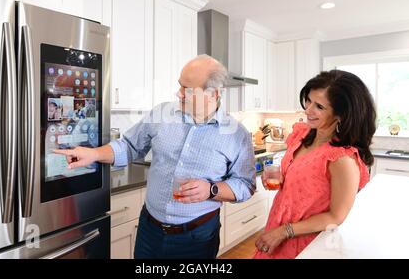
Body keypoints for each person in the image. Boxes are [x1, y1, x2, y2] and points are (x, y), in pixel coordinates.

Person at [55, 55, 256, 259]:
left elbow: (246, 185)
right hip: (149, 230)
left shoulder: (236, 135)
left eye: (187, 89)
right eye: (180, 86)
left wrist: (211, 190)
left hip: (197, 238)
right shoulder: (162, 113)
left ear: (212, 94)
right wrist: (94, 154)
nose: (179, 94)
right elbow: (129, 146)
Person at [254, 70, 376, 259]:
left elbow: (336, 217)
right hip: (277, 227)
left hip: (304, 240)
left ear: (340, 115)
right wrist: (281, 178)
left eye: (319, 106)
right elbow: (304, 183)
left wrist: (283, 232)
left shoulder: (342, 159)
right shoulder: (302, 135)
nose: (308, 110)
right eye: (309, 101)